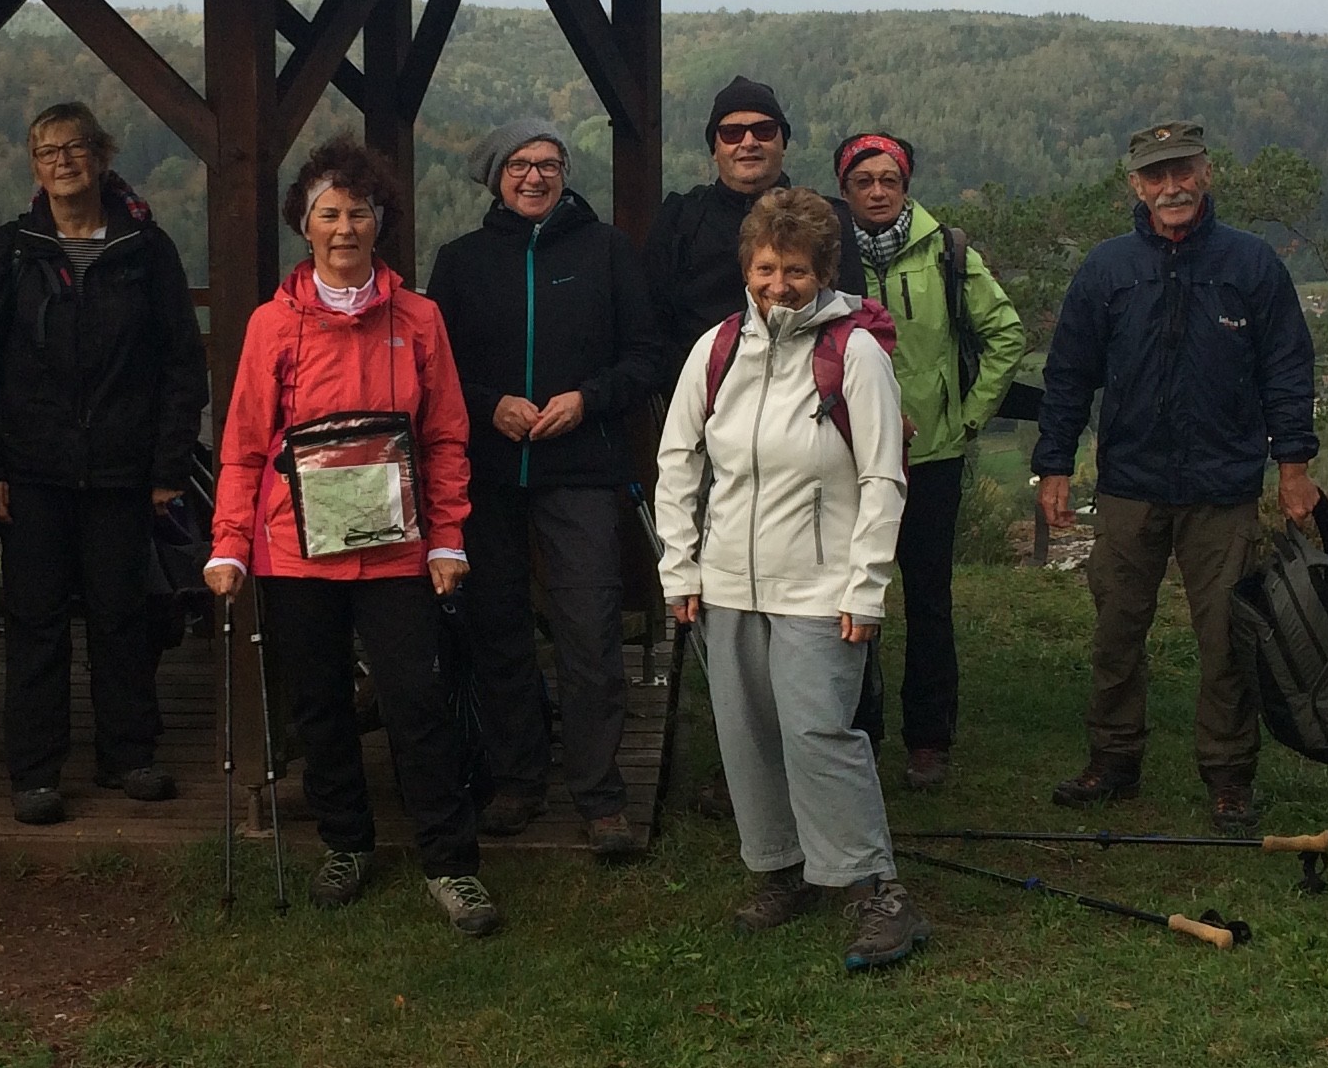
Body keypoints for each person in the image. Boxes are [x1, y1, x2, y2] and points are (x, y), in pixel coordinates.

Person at [204, 137, 492, 934]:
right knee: (320, 704)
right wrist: (229, 543)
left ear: (380, 221)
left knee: (415, 700)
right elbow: (245, 443)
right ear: (305, 223)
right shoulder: (272, 325)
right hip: (294, 550)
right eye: (327, 212)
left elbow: (445, 435)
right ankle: (345, 842)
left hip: (398, 548)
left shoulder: (420, 319)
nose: (343, 227)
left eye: (357, 212)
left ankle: (449, 862)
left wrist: (447, 537)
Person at [653, 187, 926, 970]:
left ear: (824, 272)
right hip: (729, 584)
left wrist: (866, 585)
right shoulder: (716, 349)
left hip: (820, 588)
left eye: (796, 270)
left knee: (819, 735)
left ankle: (877, 892)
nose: (779, 285)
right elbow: (679, 459)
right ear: (748, 266)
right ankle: (783, 871)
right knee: (746, 738)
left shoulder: (856, 353)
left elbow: (883, 477)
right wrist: (681, 566)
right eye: (767, 267)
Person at [1030, 121, 1321, 830]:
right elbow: (1069, 375)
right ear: (1135, 185)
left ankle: (1227, 775)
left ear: (1207, 174)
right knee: (1116, 630)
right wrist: (1054, 465)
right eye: (1156, 176)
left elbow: (1287, 370)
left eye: (1182, 171)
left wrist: (1293, 468)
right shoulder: (1107, 270)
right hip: (1129, 483)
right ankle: (1113, 760)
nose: (1171, 187)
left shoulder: (1251, 266)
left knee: (1227, 635)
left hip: (1222, 488)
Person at [0, 102, 206, 825]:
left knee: (122, 617)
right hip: (30, 474)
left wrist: (169, 465)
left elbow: (181, 365)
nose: (62, 162)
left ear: (102, 156)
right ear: (33, 166)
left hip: (123, 473)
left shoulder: (146, 249)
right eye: (46, 151)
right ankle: (35, 771)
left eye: (75, 148)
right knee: (33, 622)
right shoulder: (11, 250)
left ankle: (129, 755)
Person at [424, 117, 665, 856]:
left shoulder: (606, 251)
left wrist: (587, 399)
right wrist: (487, 401)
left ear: (566, 173)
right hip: (489, 472)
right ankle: (518, 781)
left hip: (582, 468)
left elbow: (647, 356)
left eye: (550, 163)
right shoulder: (461, 261)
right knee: (498, 629)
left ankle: (600, 796)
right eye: (522, 164)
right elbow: (435, 369)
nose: (536, 176)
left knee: (589, 631)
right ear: (496, 176)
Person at [832, 132, 1028, 790]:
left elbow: (1005, 332)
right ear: (845, 190)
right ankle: (856, 728)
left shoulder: (946, 250)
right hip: (847, 456)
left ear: (907, 184)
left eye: (890, 179)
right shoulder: (825, 254)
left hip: (932, 455)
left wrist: (967, 417)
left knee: (929, 599)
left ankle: (928, 737)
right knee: (851, 596)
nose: (879, 191)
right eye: (864, 181)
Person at [641, 76, 863, 371]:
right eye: (732, 133)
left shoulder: (826, 220)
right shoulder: (680, 220)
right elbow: (651, 323)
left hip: (805, 395)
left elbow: (851, 318)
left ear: (783, 143)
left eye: (764, 130)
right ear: (714, 148)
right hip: (704, 392)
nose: (749, 143)